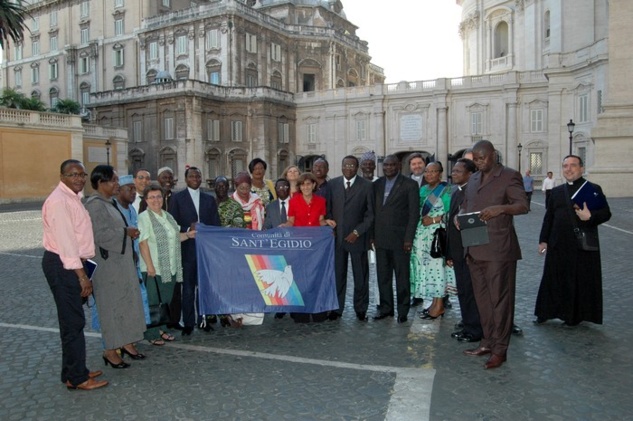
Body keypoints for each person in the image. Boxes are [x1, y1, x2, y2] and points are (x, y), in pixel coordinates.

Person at [460, 140, 528, 370]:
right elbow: (466, 205)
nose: (478, 162)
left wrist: (501, 209)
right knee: (483, 301)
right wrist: (458, 217)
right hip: (474, 246)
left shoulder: (509, 176)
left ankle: (501, 349)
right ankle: (487, 342)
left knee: (500, 301)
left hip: (499, 249)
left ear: (494, 155)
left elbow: (523, 205)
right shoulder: (474, 178)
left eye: (482, 158)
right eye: (475, 159)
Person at [41, 159, 108, 391]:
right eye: (73, 175)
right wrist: (82, 276)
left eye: (81, 174)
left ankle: (72, 371)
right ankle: (78, 378)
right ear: (62, 177)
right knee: (73, 322)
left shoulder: (73, 198)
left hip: (72, 264)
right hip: (65, 265)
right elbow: (67, 244)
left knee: (72, 321)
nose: (78, 178)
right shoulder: (59, 202)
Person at [534, 155, 611, 326]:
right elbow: (549, 218)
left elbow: (606, 213)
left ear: (581, 168)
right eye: (565, 166)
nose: (568, 169)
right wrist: (543, 240)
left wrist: (590, 216)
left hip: (580, 245)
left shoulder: (592, 189)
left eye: (573, 165)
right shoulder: (556, 192)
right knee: (553, 279)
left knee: (577, 281)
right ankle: (547, 311)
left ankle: (573, 316)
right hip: (557, 244)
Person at [85, 165, 146, 369]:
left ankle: (127, 342)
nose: (116, 184)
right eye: (113, 180)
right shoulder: (95, 205)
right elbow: (99, 235)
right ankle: (110, 350)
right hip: (107, 266)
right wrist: (125, 232)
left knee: (126, 304)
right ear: (101, 183)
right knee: (111, 308)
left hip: (121, 263)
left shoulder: (108, 203)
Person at [139, 184, 196, 344]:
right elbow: (142, 243)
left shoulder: (167, 216)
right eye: (152, 197)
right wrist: (149, 266)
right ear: (146, 200)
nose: (156, 200)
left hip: (170, 267)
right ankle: (151, 334)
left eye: (158, 196)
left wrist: (189, 235)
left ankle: (161, 329)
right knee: (153, 302)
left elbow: (177, 236)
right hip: (154, 268)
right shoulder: (144, 217)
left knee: (165, 301)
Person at [169, 166, 221, 335]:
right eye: (192, 176)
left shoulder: (209, 199)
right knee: (189, 288)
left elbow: (216, 224)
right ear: (186, 178)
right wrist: (187, 229)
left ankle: (203, 320)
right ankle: (189, 323)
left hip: (206, 251)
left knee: (204, 287)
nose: (195, 179)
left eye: (198, 176)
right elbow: (172, 224)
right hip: (187, 249)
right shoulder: (177, 198)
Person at [282, 172, 337, 322]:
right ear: (299, 186)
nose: (306, 187)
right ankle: (301, 312)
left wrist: (328, 222)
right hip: (298, 246)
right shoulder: (294, 201)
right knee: (299, 278)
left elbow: (319, 221)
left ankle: (317, 309)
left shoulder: (320, 201)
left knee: (315, 277)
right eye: (303, 184)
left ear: (313, 185)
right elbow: (291, 221)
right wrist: (283, 226)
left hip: (315, 247)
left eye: (308, 184)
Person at [371, 155, 419, 324]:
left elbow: (414, 214)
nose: (389, 167)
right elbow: (373, 212)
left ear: (399, 165)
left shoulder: (410, 185)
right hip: (381, 238)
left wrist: (408, 239)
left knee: (402, 276)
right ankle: (386, 308)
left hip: (400, 240)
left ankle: (403, 311)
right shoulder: (376, 185)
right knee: (383, 276)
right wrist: (372, 236)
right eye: (386, 165)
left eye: (392, 165)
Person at [328, 155, 374, 321]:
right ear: (341, 167)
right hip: (337, 239)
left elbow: (370, 214)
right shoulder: (332, 184)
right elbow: (328, 210)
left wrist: (357, 232)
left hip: (357, 238)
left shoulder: (367, 186)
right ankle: (336, 308)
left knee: (360, 275)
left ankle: (361, 309)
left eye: (352, 165)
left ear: (358, 168)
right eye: (346, 165)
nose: (349, 168)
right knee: (338, 275)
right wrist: (330, 227)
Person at [410, 162, 455, 320]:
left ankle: (439, 305)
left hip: (437, 236)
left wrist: (435, 219)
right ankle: (432, 304)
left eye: (433, 172)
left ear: (440, 173)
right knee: (427, 271)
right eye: (427, 172)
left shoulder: (447, 190)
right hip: (421, 237)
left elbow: (452, 214)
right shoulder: (422, 189)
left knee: (438, 270)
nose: (429, 175)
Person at [446, 158, 483, 343]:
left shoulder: (474, 193)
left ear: (470, 174)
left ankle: (475, 329)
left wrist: (471, 254)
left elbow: (474, 226)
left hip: (470, 254)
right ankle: (467, 322)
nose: (454, 174)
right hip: (458, 252)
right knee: (463, 290)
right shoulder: (456, 192)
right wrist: (450, 253)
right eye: (453, 171)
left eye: (458, 171)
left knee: (471, 291)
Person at [230, 171, 266, 325]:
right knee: (237, 280)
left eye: (247, 187)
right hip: (236, 248)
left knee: (254, 280)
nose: (244, 190)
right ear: (236, 186)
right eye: (241, 187)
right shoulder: (230, 203)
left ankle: (253, 315)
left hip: (254, 246)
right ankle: (236, 314)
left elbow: (263, 222)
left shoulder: (258, 202)